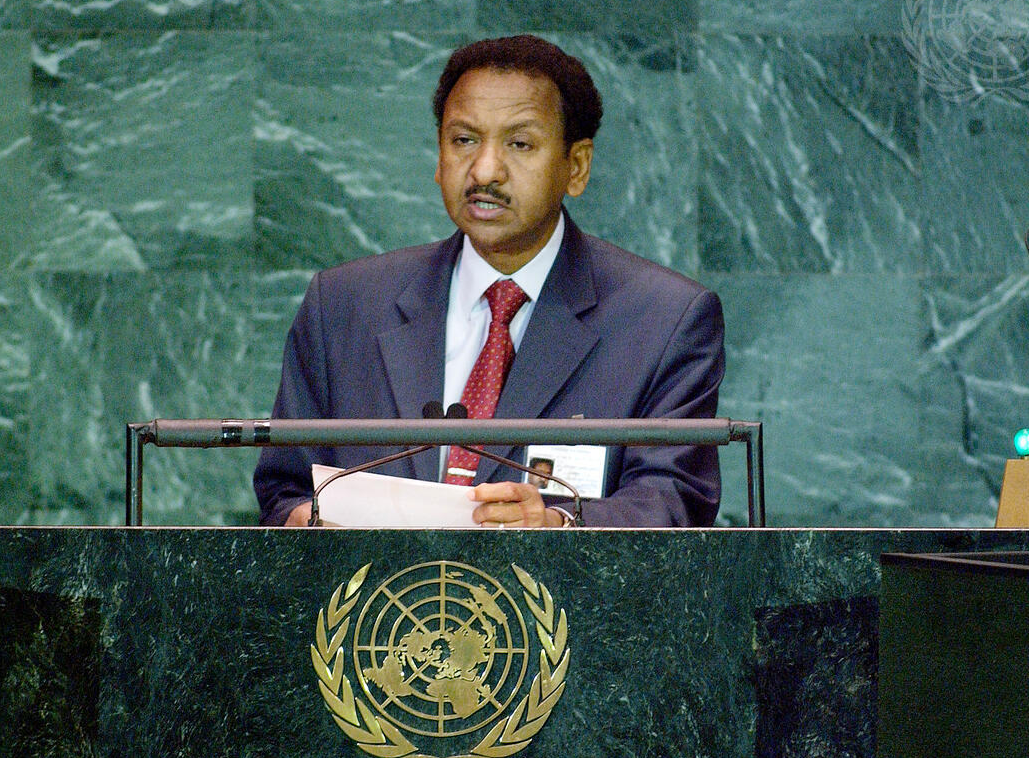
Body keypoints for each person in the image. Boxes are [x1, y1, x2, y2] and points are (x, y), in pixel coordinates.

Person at [254, 34, 725, 528]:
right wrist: (300, 520)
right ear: (439, 158)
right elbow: (284, 490)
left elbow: (675, 501)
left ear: (577, 166)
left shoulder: (665, 320)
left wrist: (559, 525)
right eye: (464, 140)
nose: (484, 171)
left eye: (519, 144)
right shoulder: (343, 305)